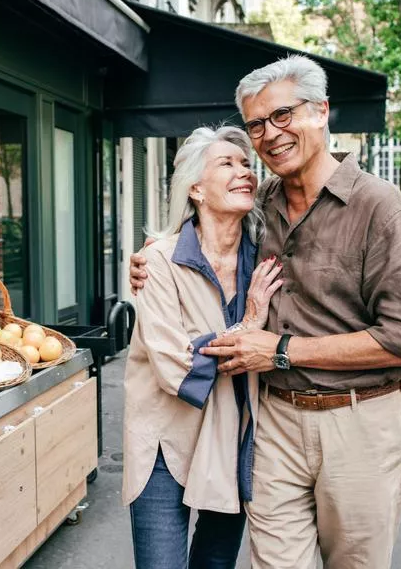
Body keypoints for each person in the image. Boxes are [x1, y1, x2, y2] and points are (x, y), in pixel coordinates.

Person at [129, 55, 401, 569]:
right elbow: (199, 245)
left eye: (282, 115)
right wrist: (150, 261)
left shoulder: (380, 206)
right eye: (256, 125)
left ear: (321, 111)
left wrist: (288, 352)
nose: (268, 136)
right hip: (272, 426)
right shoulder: (260, 207)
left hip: (358, 421)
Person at [123, 126, 283, 568]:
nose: (243, 172)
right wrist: (250, 326)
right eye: (226, 163)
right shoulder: (159, 261)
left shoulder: (264, 261)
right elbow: (177, 366)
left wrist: (398, 361)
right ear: (195, 188)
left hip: (232, 437)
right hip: (164, 443)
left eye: (246, 164)